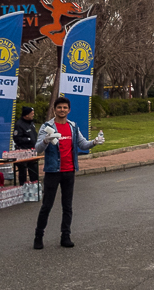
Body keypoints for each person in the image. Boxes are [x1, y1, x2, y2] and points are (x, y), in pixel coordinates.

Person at [33, 97, 104, 249]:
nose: (62, 110)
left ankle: (65, 236)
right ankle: (38, 236)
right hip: (53, 171)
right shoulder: (47, 126)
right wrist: (46, 140)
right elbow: (37, 149)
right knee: (47, 205)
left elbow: (82, 144)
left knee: (67, 206)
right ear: (54, 109)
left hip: (69, 171)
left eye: (65, 108)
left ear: (69, 110)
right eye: (59, 108)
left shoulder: (73, 127)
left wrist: (95, 142)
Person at [12, 105, 40, 185]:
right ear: (26, 115)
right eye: (32, 113)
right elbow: (17, 139)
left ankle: (35, 186)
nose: (33, 115)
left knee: (34, 170)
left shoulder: (31, 123)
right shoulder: (19, 124)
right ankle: (23, 186)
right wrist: (29, 139)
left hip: (32, 151)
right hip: (22, 151)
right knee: (22, 172)